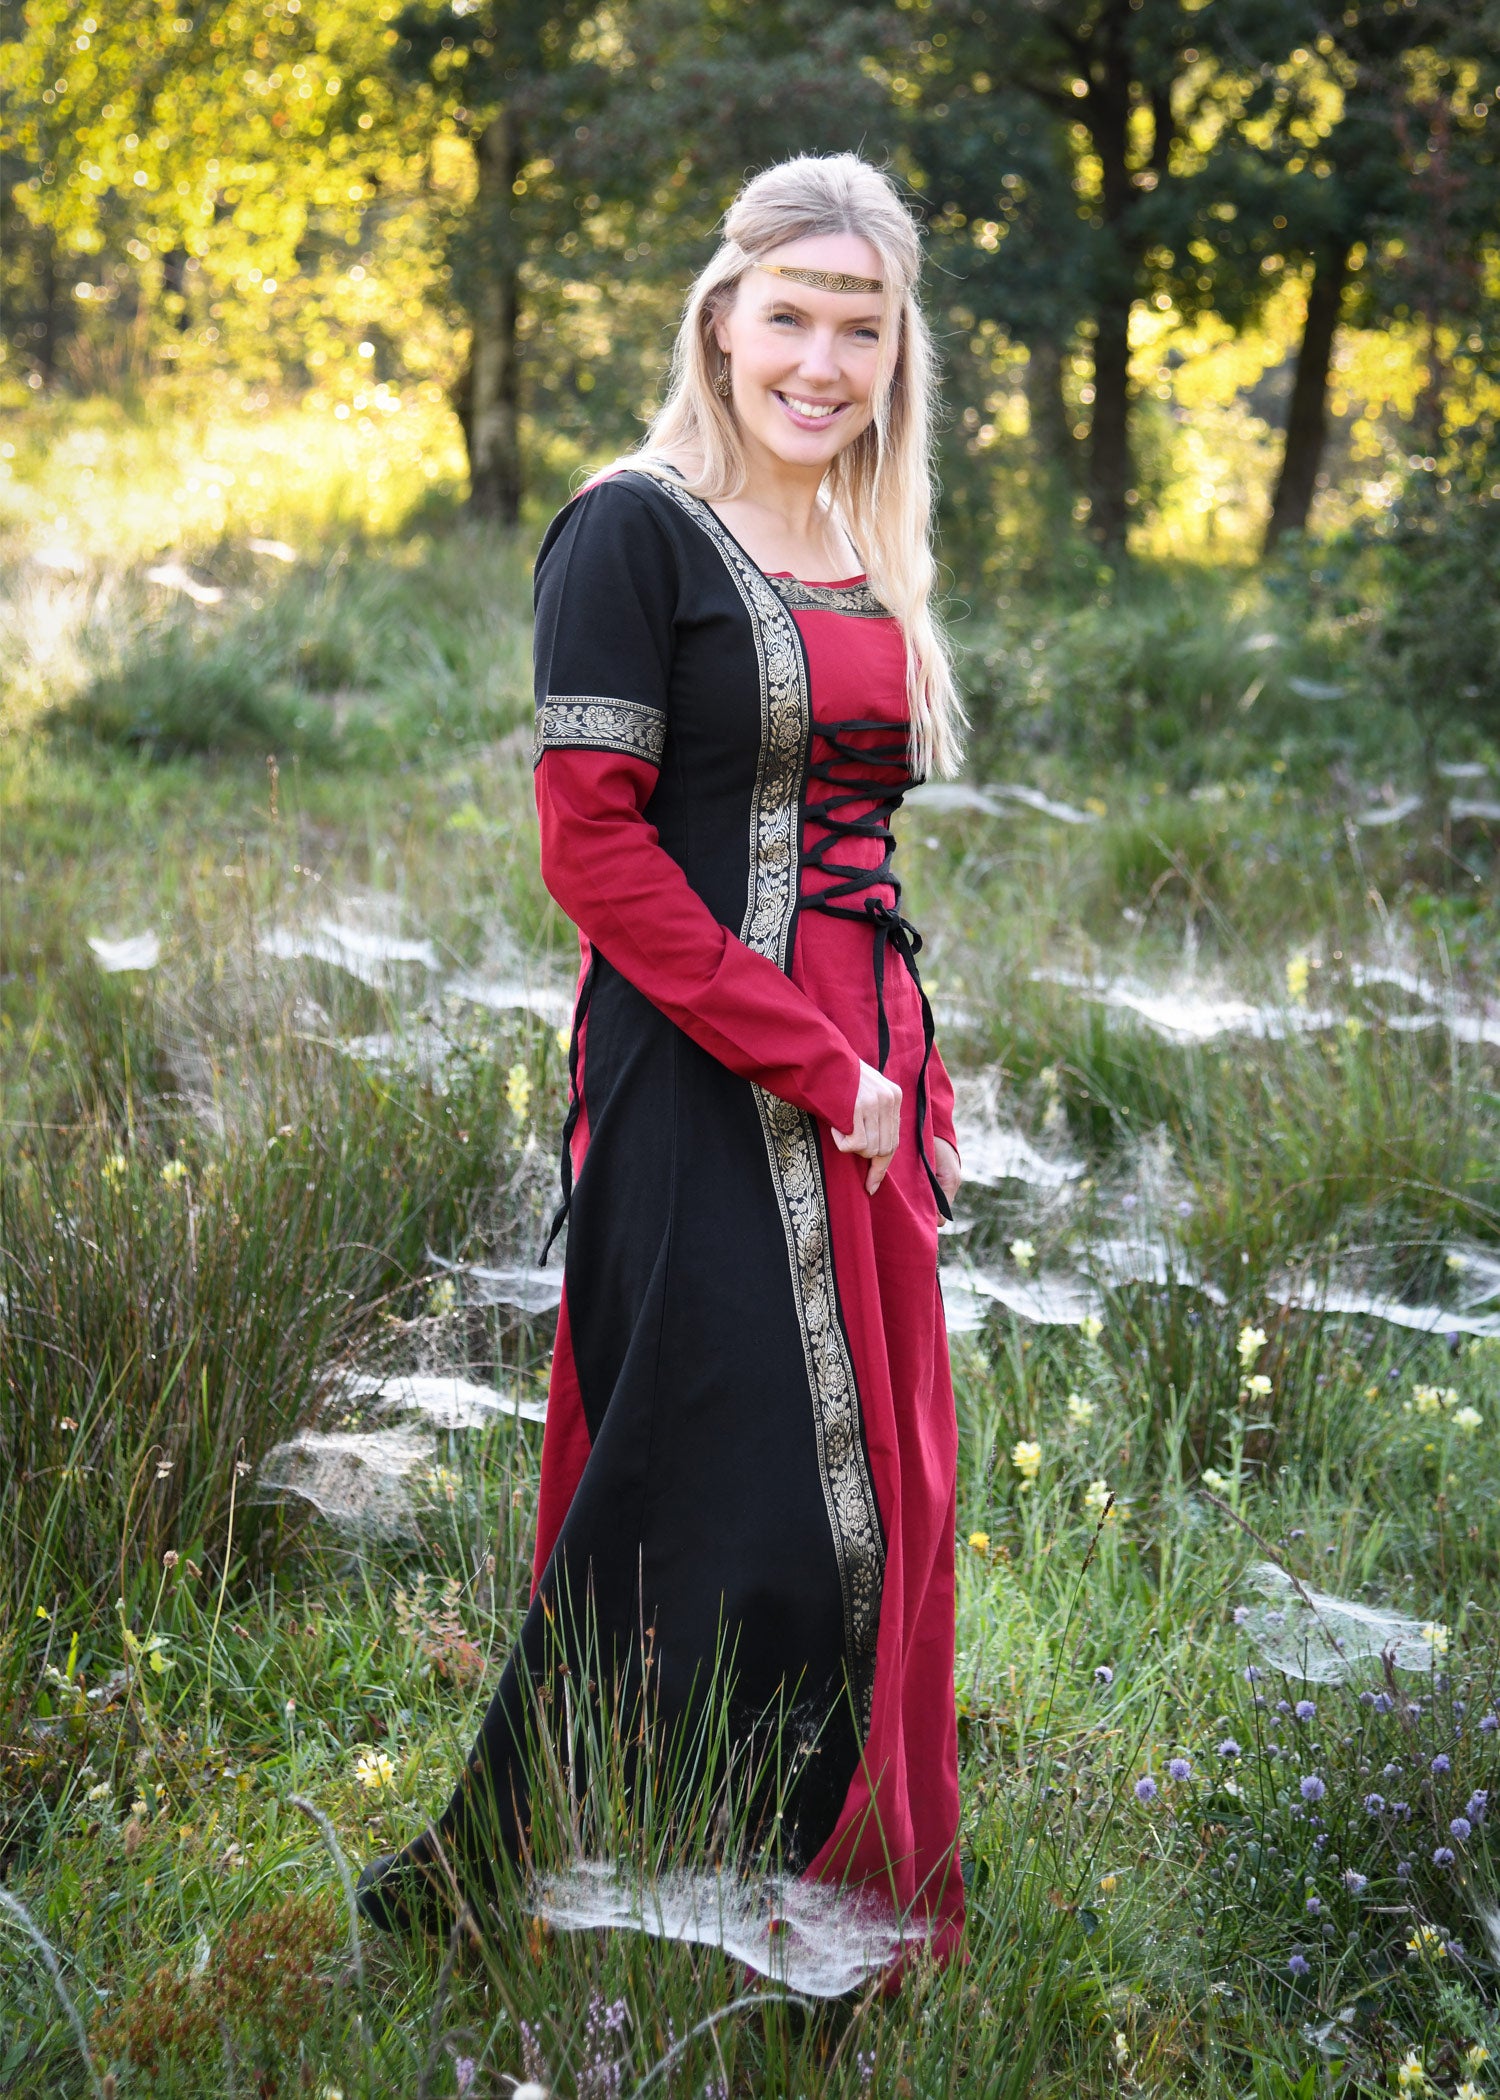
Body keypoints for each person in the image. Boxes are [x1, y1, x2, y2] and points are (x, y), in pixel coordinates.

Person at [358, 150, 967, 1968]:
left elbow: (853, 863)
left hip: (863, 1072)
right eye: (793, 315)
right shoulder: (632, 528)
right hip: (706, 1071)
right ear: (721, 319)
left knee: (888, 1480)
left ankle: (816, 1883)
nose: (824, 360)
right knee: (725, 1479)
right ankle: (545, 1871)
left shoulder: (862, 544)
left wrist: (899, 1072)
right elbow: (594, 851)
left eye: (863, 327)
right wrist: (808, 1059)